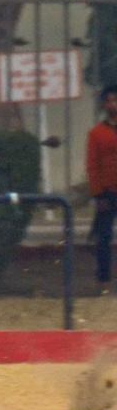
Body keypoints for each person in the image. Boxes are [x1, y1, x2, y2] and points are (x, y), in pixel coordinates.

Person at [86, 84, 117, 294]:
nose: (112, 104)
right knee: (104, 238)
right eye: (108, 100)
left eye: (115, 99)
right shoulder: (96, 133)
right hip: (107, 193)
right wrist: (98, 194)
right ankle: (103, 281)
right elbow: (92, 165)